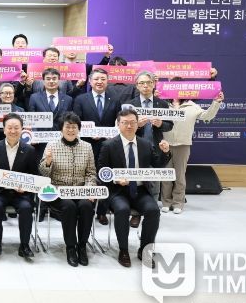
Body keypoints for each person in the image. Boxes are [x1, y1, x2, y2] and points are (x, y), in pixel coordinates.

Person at [98, 109, 171, 267]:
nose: (129, 126)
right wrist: (116, 179)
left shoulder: (145, 144)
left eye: (132, 122)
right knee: (122, 210)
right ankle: (123, 250)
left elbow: (157, 164)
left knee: (153, 211)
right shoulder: (108, 145)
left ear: (138, 124)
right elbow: (101, 172)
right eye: (125, 123)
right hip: (118, 191)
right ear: (118, 124)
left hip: (140, 190)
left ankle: (144, 250)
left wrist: (165, 153)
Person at [40, 112, 97, 266]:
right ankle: (71, 247)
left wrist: (89, 189)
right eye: (67, 127)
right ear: (61, 129)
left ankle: (82, 246)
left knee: (86, 206)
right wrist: (48, 162)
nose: (71, 130)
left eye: (74, 127)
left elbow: (91, 173)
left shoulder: (87, 147)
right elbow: (44, 174)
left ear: (79, 129)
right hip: (59, 192)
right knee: (69, 206)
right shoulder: (52, 145)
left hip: (81, 190)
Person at [0, 113, 37, 259]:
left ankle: (24, 245)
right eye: (10, 128)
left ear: (22, 129)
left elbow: (34, 176)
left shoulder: (30, 150)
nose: (13, 131)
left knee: (26, 208)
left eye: (16, 128)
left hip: (21, 193)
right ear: (4, 129)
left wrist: (26, 187)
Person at [71, 68, 122, 225]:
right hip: (86, 145)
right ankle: (85, 208)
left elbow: (118, 122)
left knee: (105, 177)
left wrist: (112, 133)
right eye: (96, 79)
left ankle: (102, 211)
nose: (99, 82)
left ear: (107, 81)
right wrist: (88, 133)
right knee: (84, 176)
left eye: (103, 79)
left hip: (108, 146)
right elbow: (76, 122)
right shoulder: (81, 99)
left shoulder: (115, 99)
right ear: (90, 81)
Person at [162, 88, 224, 214]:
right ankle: (166, 202)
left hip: (183, 145)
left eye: (179, 88)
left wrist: (216, 102)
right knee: (166, 176)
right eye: (173, 88)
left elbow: (207, 116)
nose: (176, 91)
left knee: (180, 176)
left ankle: (178, 202)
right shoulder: (163, 104)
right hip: (165, 145)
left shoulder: (191, 106)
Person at [124, 70, 174, 218]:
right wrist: (137, 125)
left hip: (155, 149)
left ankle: (151, 213)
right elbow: (123, 127)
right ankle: (135, 213)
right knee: (134, 182)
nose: (145, 86)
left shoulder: (162, 104)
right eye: (142, 83)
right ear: (137, 85)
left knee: (154, 182)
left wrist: (160, 124)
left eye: (148, 82)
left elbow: (170, 125)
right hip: (134, 148)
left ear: (154, 84)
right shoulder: (130, 105)